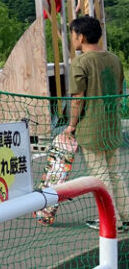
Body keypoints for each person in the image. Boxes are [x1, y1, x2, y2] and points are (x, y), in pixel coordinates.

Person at [62, 16, 128, 233]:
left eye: (73, 35)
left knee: (100, 175)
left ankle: (111, 220)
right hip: (112, 125)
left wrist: (71, 125)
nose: (73, 39)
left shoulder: (81, 62)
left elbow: (78, 98)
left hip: (92, 128)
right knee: (114, 172)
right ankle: (125, 215)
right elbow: (119, 92)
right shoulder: (114, 59)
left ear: (80, 36)